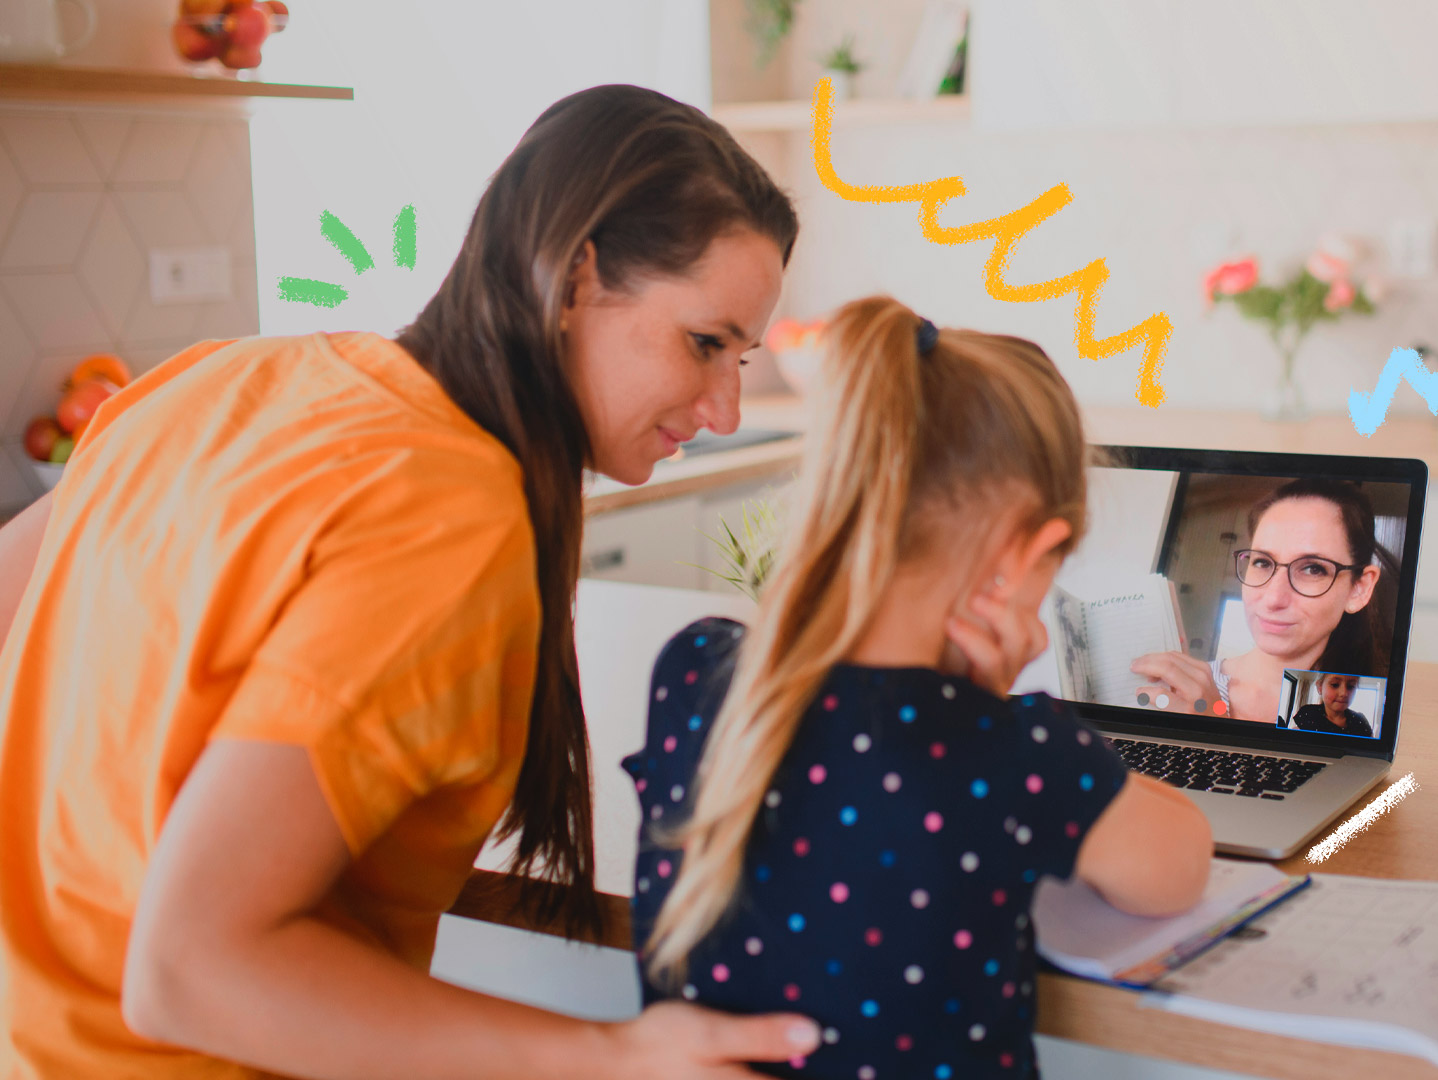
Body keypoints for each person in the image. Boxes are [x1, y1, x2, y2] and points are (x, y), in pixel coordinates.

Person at [0, 86, 827, 1079]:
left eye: (742, 357)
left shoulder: (219, 378)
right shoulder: (451, 519)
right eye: (704, 344)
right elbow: (190, 966)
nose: (729, 409)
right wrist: (611, 1056)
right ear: (574, 279)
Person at [625, 297, 1214, 1077]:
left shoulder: (694, 668)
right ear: (1018, 555)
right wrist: (990, 708)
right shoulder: (1016, 751)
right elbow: (1181, 869)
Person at [1129, 477, 1395, 724]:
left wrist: (1216, 725)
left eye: (1313, 569)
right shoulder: (1176, 690)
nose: (1273, 598)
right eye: (1262, 562)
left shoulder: (1366, 716)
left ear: (1358, 588)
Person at [1289, 672, 1374, 738]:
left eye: (1351, 686)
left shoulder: (1360, 721)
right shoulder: (1307, 713)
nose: (1344, 693)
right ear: (1320, 687)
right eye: (1335, 685)